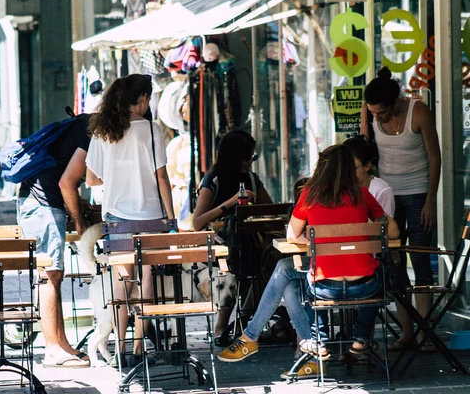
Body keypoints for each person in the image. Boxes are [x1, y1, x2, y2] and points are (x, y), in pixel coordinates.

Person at [217, 144, 399, 364]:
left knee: (287, 272)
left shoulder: (310, 195)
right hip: (364, 286)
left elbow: (292, 235)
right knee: (378, 271)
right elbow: (393, 231)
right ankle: (359, 338)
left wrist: (316, 246)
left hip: (324, 288)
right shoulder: (362, 194)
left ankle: (306, 343)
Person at [85, 74, 175, 367]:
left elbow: (91, 178)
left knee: (122, 282)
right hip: (150, 215)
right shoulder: (152, 131)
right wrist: (171, 218)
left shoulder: (103, 132)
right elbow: (161, 177)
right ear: (144, 100)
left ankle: (120, 348)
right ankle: (139, 349)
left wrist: (115, 174)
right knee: (147, 279)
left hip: (117, 218)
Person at [362, 66, 441, 352]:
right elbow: (365, 152)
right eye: (372, 112)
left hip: (419, 193)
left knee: (420, 260)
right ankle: (406, 332)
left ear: (395, 102)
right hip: (388, 196)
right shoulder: (370, 113)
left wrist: (431, 200)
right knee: (393, 264)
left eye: (380, 113)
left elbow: (435, 157)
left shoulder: (417, 112)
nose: (377, 117)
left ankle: (424, 331)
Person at [17, 113, 92, 368]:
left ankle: (62, 344)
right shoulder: (91, 132)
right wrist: (80, 221)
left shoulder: (86, 124)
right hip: (41, 204)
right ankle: (52, 349)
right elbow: (66, 183)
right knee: (49, 274)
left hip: (41, 201)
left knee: (55, 275)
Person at [192, 130, 273, 346]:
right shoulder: (213, 180)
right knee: (236, 265)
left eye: (252, 157)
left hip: (248, 244)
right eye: (247, 157)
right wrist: (230, 203)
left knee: (265, 263)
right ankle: (223, 326)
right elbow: (197, 222)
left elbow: (271, 209)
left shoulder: (253, 180)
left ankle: (246, 321)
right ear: (235, 157)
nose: (250, 161)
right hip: (222, 246)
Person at [343, 136, 395, 217]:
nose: (348, 173)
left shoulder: (381, 190)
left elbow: (386, 225)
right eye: (344, 168)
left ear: (367, 166)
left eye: (353, 168)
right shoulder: (338, 186)